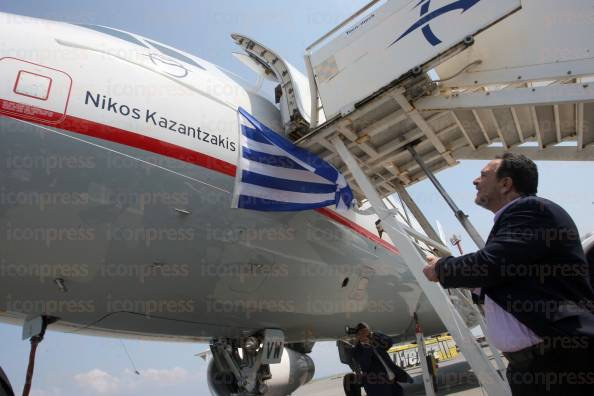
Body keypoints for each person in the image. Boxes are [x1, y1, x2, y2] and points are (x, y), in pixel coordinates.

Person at [422, 153, 594, 395]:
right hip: (531, 367)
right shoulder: (514, 221)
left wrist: (442, 268)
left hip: (557, 363)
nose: (475, 181)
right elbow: (506, 276)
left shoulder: (531, 209)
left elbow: (491, 264)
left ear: (506, 184)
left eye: (483, 175)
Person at [351, 322, 412, 396]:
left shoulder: (375, 341)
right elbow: (365, 366)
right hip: (377, 387)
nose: (365, 334)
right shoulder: (357, 350)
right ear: (358, 336)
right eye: (361, 333)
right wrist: (366, 346)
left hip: (392, 384)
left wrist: (375, 335)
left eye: (366, 331)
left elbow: (389, 342)